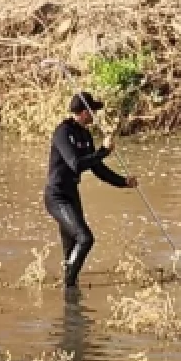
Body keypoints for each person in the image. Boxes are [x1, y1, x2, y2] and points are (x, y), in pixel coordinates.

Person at [44, 91, 138, 289]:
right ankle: (67, 286)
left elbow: (98, 169)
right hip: (57, 196)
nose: (95, 114)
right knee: (85, 238)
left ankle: (70, 290)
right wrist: (103, 151)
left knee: (71, 252)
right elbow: (75, 165)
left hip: (72, 194)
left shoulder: (85, 135)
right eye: (93, 110)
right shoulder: (63, 132)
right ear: (84, 112)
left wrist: (123, 182)